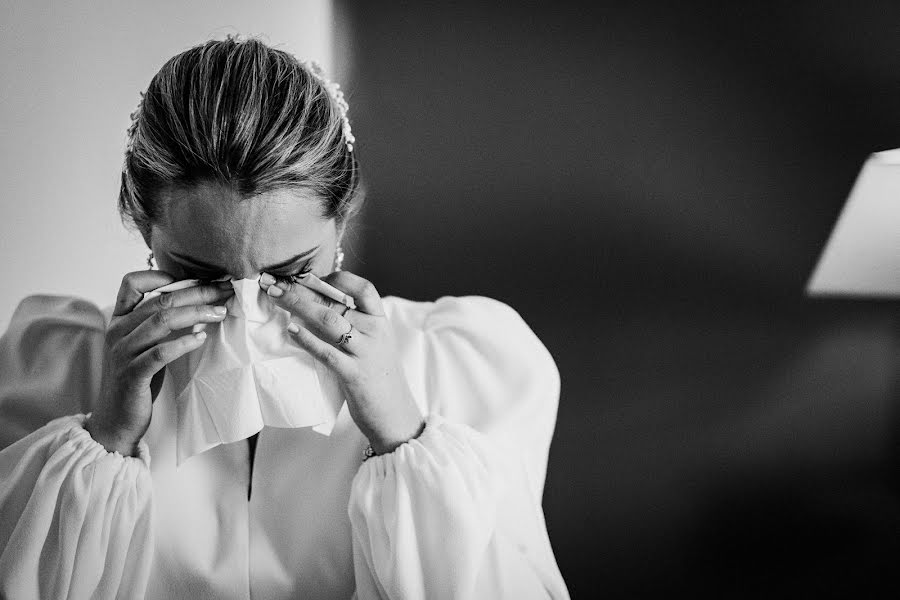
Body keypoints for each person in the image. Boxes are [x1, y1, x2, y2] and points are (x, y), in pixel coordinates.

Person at [0, 35, 570, 599]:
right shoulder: (53, 362)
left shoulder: (463, 365)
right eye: (200, 272)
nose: (248, 310)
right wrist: (107, 440)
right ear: (143, 225)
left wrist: (402, 435)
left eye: (291, 271)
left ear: (343, 218)